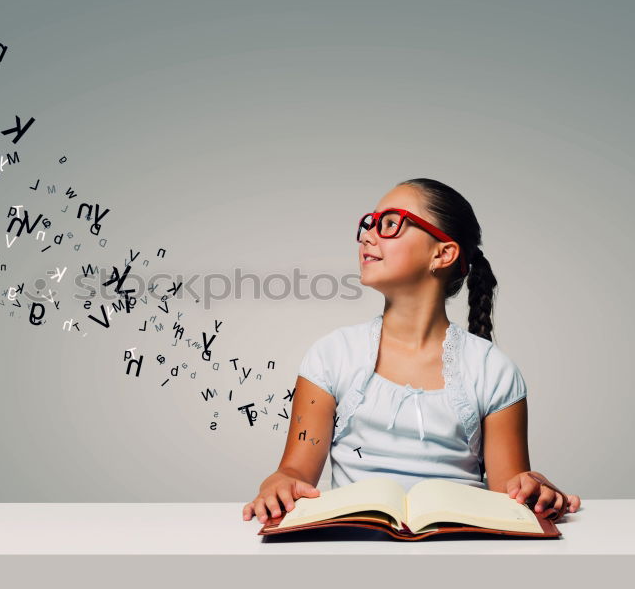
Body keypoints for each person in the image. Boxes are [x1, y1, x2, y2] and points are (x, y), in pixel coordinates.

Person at [243, 178, 581, 525]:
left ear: (443, 253)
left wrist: (531, 488)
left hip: (458, 550)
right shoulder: (330, 356)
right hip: (353, 548)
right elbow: (295, 469)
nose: (367, 236)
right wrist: (280, 481)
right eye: (368, 224)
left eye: (390, 223)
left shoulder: (493, 369)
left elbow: (508, 492)